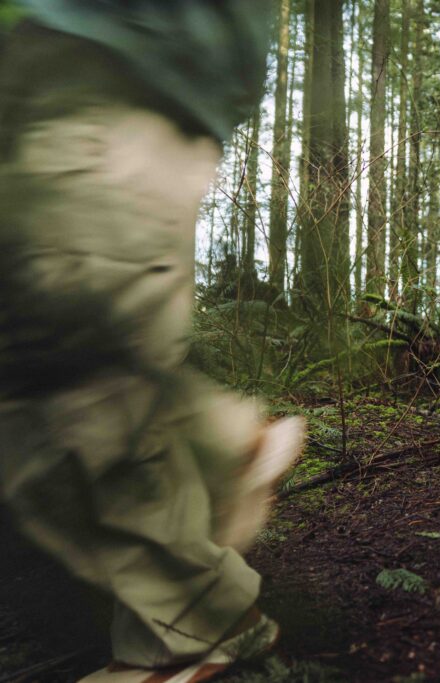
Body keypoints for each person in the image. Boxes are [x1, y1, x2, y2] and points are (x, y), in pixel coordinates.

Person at [0, 3, 305, 681]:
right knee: (67, 373)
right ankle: (218, 447)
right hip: (80, 82)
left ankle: (194, 631)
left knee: (62, 382)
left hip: (113, 81)